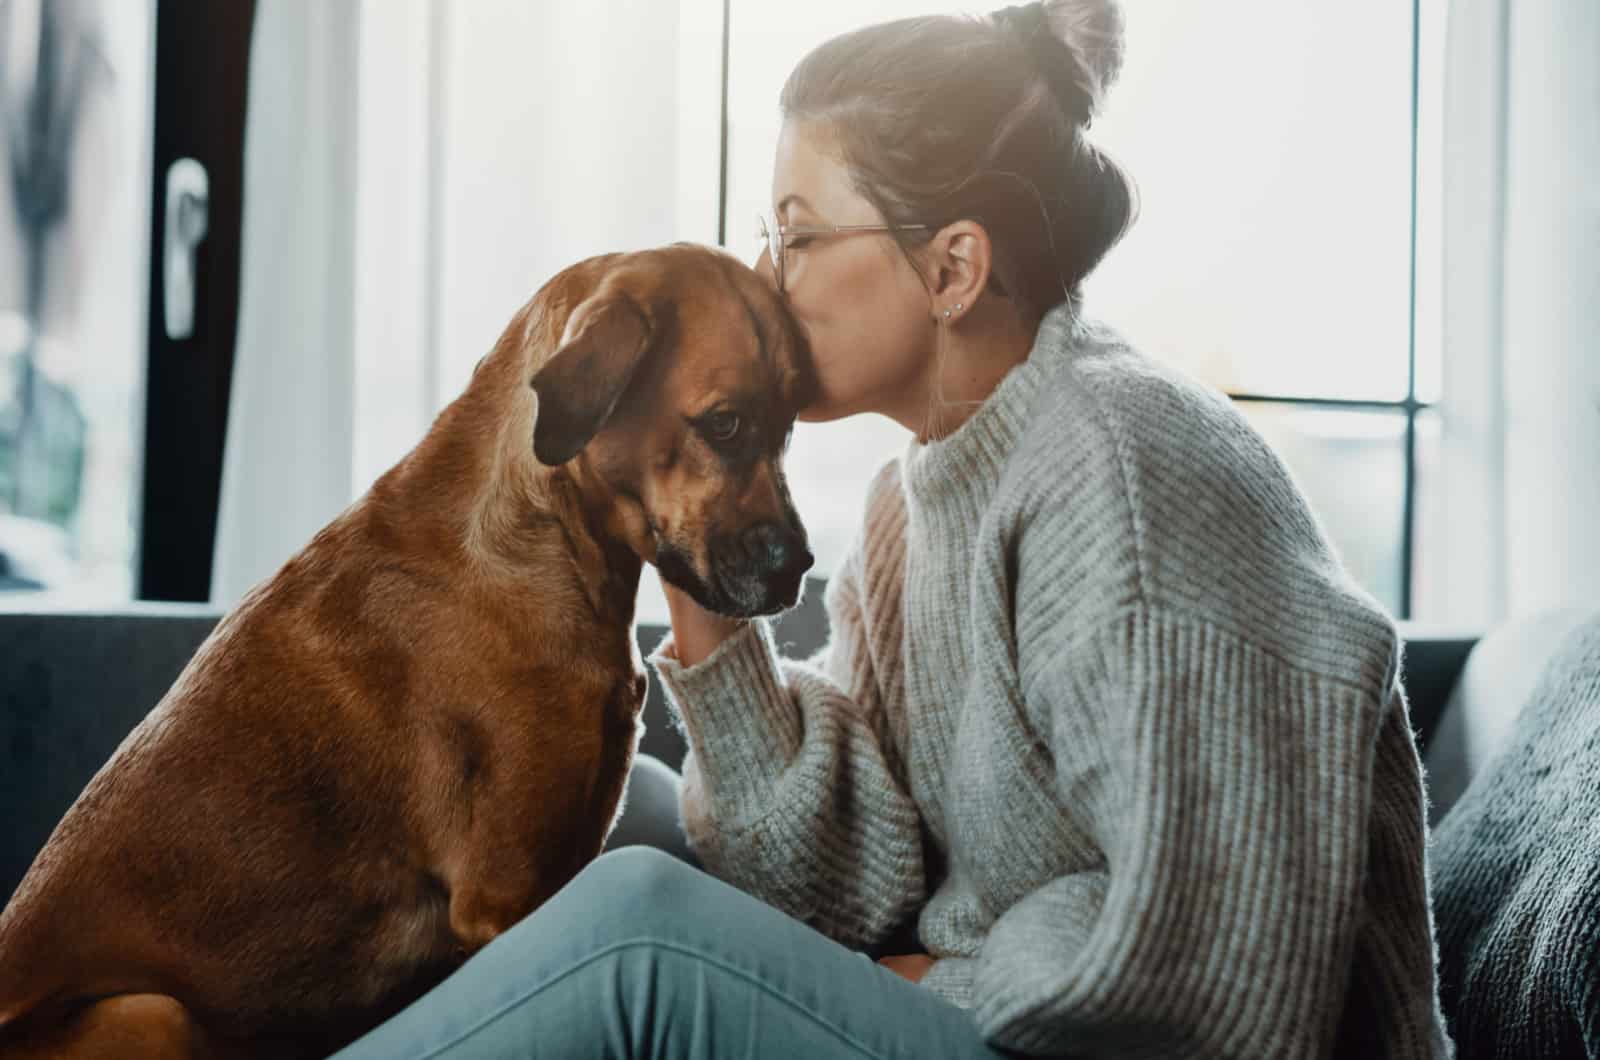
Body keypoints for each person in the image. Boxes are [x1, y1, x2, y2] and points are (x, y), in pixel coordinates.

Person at [336, 2, 1453, 1056]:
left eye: (799, 235)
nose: (762, 283)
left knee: (635, 924)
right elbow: (848, 876)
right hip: (1001, 1013)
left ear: (953, 268)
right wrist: (681, 516)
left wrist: (934, 977)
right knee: (626, 819)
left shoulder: (1127, 471)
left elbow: (1214, 961)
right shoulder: (913, 499)